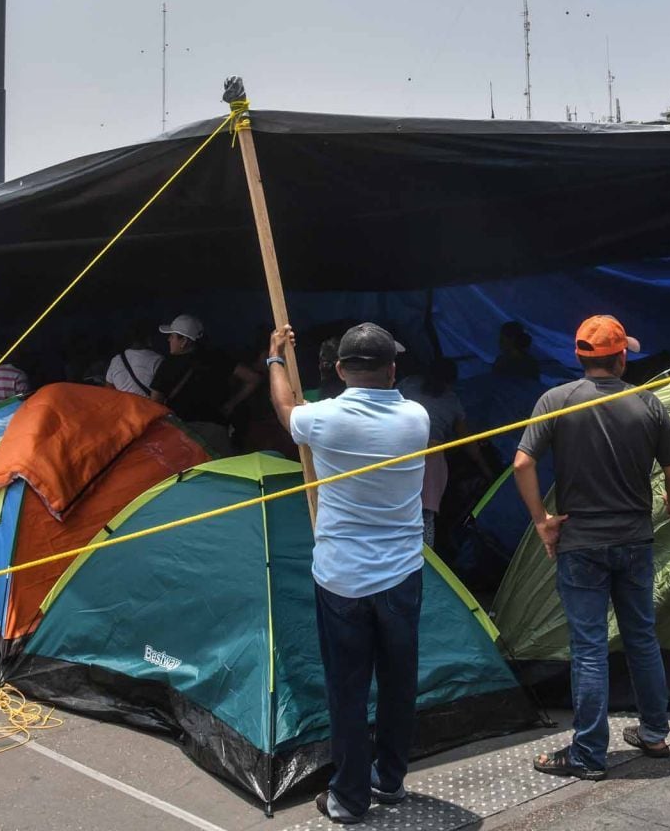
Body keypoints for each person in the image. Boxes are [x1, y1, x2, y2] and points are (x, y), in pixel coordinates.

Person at [512, 315, 670, 780]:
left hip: (581, 544)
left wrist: (542, 522)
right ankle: (654, 733)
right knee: (642, 638)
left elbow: (522, 463)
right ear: (622, 356)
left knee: (589, 648)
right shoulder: (646, 403)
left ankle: (589, 755)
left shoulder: (556, 401)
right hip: (633, 540)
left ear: (579, 357)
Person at [269, 322, 428, 824]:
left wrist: (275, 359)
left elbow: (285, 409)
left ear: (338, 370)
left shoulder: (323, 421)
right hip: (402, 574)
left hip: (341, 579)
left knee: (348, 690)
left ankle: (349, 797)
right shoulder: (416, 418)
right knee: (399, 682)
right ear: (393, 369)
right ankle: (390, 779)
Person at [399, 357, 485, 546]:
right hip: (432, 459)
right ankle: (424, 557)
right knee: (425, 516)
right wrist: (486, 469)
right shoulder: (451, 400)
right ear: (451, 381)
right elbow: (468, 442)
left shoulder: (409, 384)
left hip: (401, 448)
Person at [152, 314, 259, 453]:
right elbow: (253, 378)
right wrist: (231, 404)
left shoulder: (168, 365)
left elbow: (155, 404)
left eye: (172, 336)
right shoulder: (218, 358)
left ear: (184, 341)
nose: (169, 339)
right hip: (216, 433)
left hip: (181, 434)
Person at [104, 320, 164, 397]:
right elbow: (158, 397)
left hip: (123, 408)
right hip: (145, 408)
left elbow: (109, 390)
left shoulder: (116, 360)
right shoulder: (157, 360)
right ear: (149, 339)